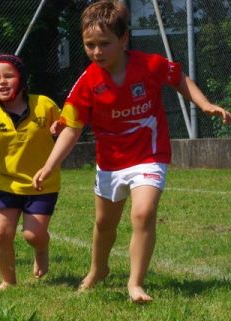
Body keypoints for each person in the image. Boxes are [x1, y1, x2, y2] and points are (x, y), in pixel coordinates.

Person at [33, 0, 231, 303]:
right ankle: (98, 270)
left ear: (124, 39)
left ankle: (135, 283)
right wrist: (50, 165)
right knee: (104, 224)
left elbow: (177, 78)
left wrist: (204, 104)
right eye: (89, 45)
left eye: (104, 43)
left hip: (149, 155)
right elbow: (72, 128)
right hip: (111, 163)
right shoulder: (87, 82)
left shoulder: (149, 65)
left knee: (143, 212)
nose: (96, 51)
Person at [0, 54, 61, 290]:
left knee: (33, 235)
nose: (2, 82)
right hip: (5, 185)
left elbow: (68, 130)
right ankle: (8, 281)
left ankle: (41, 248)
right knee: (1, 233)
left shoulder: (44, 104)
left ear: (21, 79)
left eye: (9, 76)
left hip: (42, 184)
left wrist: (60, 126)